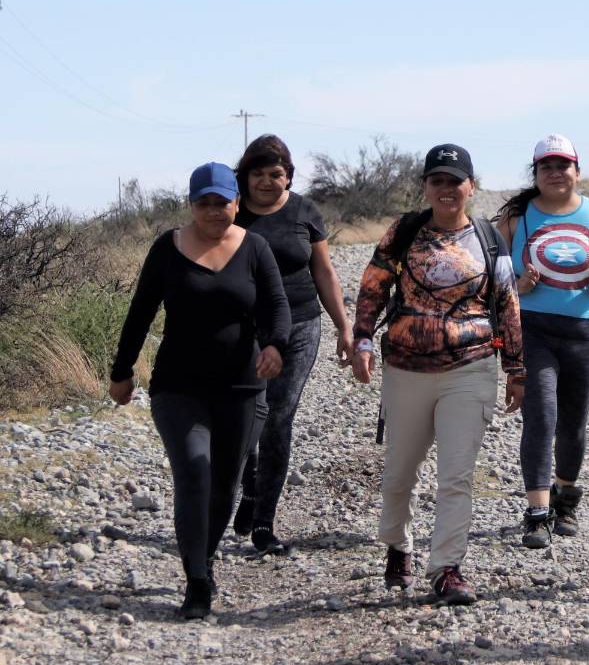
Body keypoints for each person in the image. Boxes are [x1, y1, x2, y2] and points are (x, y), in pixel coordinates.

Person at [109, 162, 290, 619]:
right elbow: (140, 313)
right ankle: (196, 580)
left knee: (224, 484)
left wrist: (273, 344)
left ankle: (204, 558)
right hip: (178, 386)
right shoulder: (166, 249)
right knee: (194, 468)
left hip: (241, 387)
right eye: (203, 202)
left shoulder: (255, 248)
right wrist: (122, 371)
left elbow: (277, 307)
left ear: (236, 202)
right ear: (191, 205)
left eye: (222, 202)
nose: (213, 211)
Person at [352, 143, 524, 605]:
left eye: (455, 181)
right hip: (406, 369)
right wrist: (362, 340)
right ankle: (397, 546)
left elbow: (507, 301)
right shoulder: (404, 232)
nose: (447, 189)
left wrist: (516, 368)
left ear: (472, 186)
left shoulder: (489, 239)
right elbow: (373, 286)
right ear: (426, 186)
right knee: (399, 474)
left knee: (456, 475)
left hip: (471, 368)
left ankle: (447, 567)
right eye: (437, 181)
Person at [230, 134, 354, 555]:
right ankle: (249, 485)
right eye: (258, 174)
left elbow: (325, 273)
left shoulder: (305, 211)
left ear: (289, 176)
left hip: (300, 326)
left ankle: (264, 523)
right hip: (243, 329)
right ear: (244, 177)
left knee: (279, 416)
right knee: (247, 414)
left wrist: (344, 326)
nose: (267, 182)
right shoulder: (229, 212)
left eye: (276, 174)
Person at [495, 134, 589, 548]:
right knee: (541, 416)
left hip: (584, 329)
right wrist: (517, 283)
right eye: (547, 166)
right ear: (536, 173)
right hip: (534, 328)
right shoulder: (517, 217)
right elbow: (493, 280)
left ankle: (566, 498)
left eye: (563, 165)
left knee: (573, 423)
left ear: (577, 170)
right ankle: (537, 513)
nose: (555, 172)